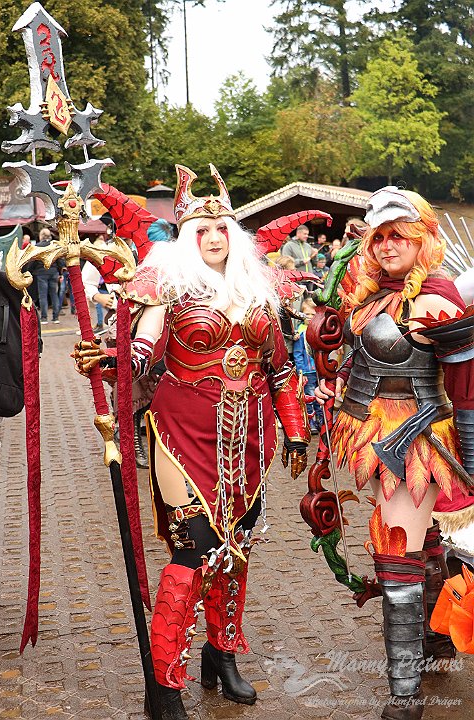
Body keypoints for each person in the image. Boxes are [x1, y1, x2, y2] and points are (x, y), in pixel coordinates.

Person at [73, 164, 310, 720]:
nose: (214, 237)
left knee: (236, 548)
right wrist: (111, 360)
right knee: (192, 549)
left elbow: (279, 370)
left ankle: (221, 655)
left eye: (223, 228)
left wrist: (296, 432)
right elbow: (143, 350)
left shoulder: (258, 290)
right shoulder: (168, 286)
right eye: (202, 230)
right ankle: (164, 684)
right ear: (187, 237)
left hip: (249, 439)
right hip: (183, 431)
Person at [314, 187, 473, 720]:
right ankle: (436, 640)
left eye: (398, 236)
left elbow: (467, 388)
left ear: (422, 239)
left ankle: (405, 698)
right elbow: (364, 360)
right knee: (422, 542)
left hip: (418, 441)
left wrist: (473, 465)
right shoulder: (371, 295)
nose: (386, 245)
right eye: (379, 236)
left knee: (396, 554)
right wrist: (337, 383)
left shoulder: (435, 298)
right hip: (371, 432)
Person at [293, 297, 323, 434]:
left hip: (319, 369)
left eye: (313, 314)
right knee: (309, 397)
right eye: (307, 314)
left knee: (320, 397)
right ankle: (310, 421)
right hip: (307, 371)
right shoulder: (300, 332)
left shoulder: (318, 329)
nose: (310, 317)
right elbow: (298, 353)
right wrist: (301, 371)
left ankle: (321, 421)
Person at [30, 228, 62, 324]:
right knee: (54, 294)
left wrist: (31, 271)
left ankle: (44, 318)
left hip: (41, 272)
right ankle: (56, 317)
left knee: (43, 296)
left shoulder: (37, 246)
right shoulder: (54, 246)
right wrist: (60, 272)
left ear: (41, 236)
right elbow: (59, 260)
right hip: (53, 272)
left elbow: (33, 261)